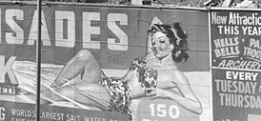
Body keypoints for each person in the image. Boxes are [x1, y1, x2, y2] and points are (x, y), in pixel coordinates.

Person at [50, 19, 203, 117]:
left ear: (172, 45)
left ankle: (33, 105)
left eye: (161, 42)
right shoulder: (150, 56)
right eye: (154, 42)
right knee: (84, 55)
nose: (156, 46)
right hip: (109, 83)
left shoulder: (174, 75)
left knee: (64, 92)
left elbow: (197, 107)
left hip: (116, 98)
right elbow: (155, 22)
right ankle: (50, 87)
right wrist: (161, 32)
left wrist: (167, 94)